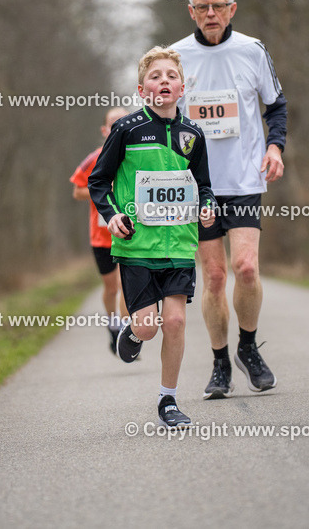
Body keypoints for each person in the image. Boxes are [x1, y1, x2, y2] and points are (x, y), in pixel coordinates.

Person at [170, 0, 287, 399]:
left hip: (243, 178)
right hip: (197, 184)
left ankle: (248, 348)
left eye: (218, 6)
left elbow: (276, 106)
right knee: (215, 277)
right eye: (203, 7)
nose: (211, 13)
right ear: (191, 12)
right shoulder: (177, 57)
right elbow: (163, 116)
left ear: (232, 8)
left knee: (247, 268)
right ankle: (220, 363)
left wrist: (275, 148)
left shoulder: (252, 50)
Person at [89, 47, 216, 428]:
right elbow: (98, 181)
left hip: (179, 245)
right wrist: (112, 216)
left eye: (171, 76)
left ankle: (168, 401)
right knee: (148, 326)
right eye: (155, 76)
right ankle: (133, 332)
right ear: (142, 89)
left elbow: (204, 185)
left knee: (174, 322)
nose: (164, 81)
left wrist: (208, 205)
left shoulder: (193, 134)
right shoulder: (126, 129)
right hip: (137, 247)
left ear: (182, 88)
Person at [70, 107, 130, 354]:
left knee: (126, 284)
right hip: (101, 236)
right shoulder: (94, 158)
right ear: (104, 130)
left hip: (128, 232)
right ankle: (113, 324)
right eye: (113, 124)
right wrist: (103, 191)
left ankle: (126, 332)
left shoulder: (136, 154)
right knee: (111, 287)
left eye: (122, 122)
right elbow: (77, 191)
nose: (118, 127)